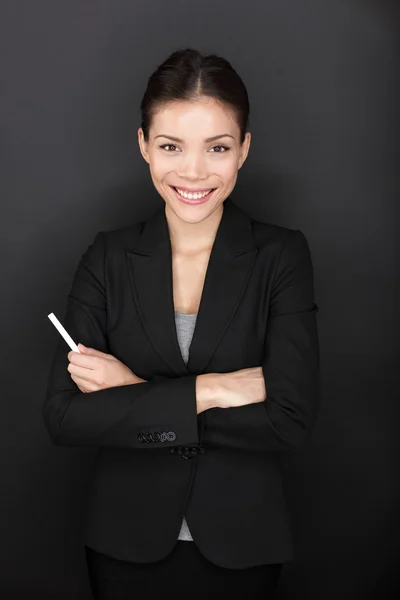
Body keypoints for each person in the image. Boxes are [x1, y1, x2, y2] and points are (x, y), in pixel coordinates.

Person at [43, 47, 320, 599]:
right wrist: (212, 390)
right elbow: (66, 417)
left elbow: (290, 420)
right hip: (125, 541)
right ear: (144, 146)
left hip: (244, 541)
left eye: (217, 147)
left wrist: (134, 394)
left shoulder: (281, 256)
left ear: (244, 149)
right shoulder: (108, 257)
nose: (194, 172)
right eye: (171, 146)